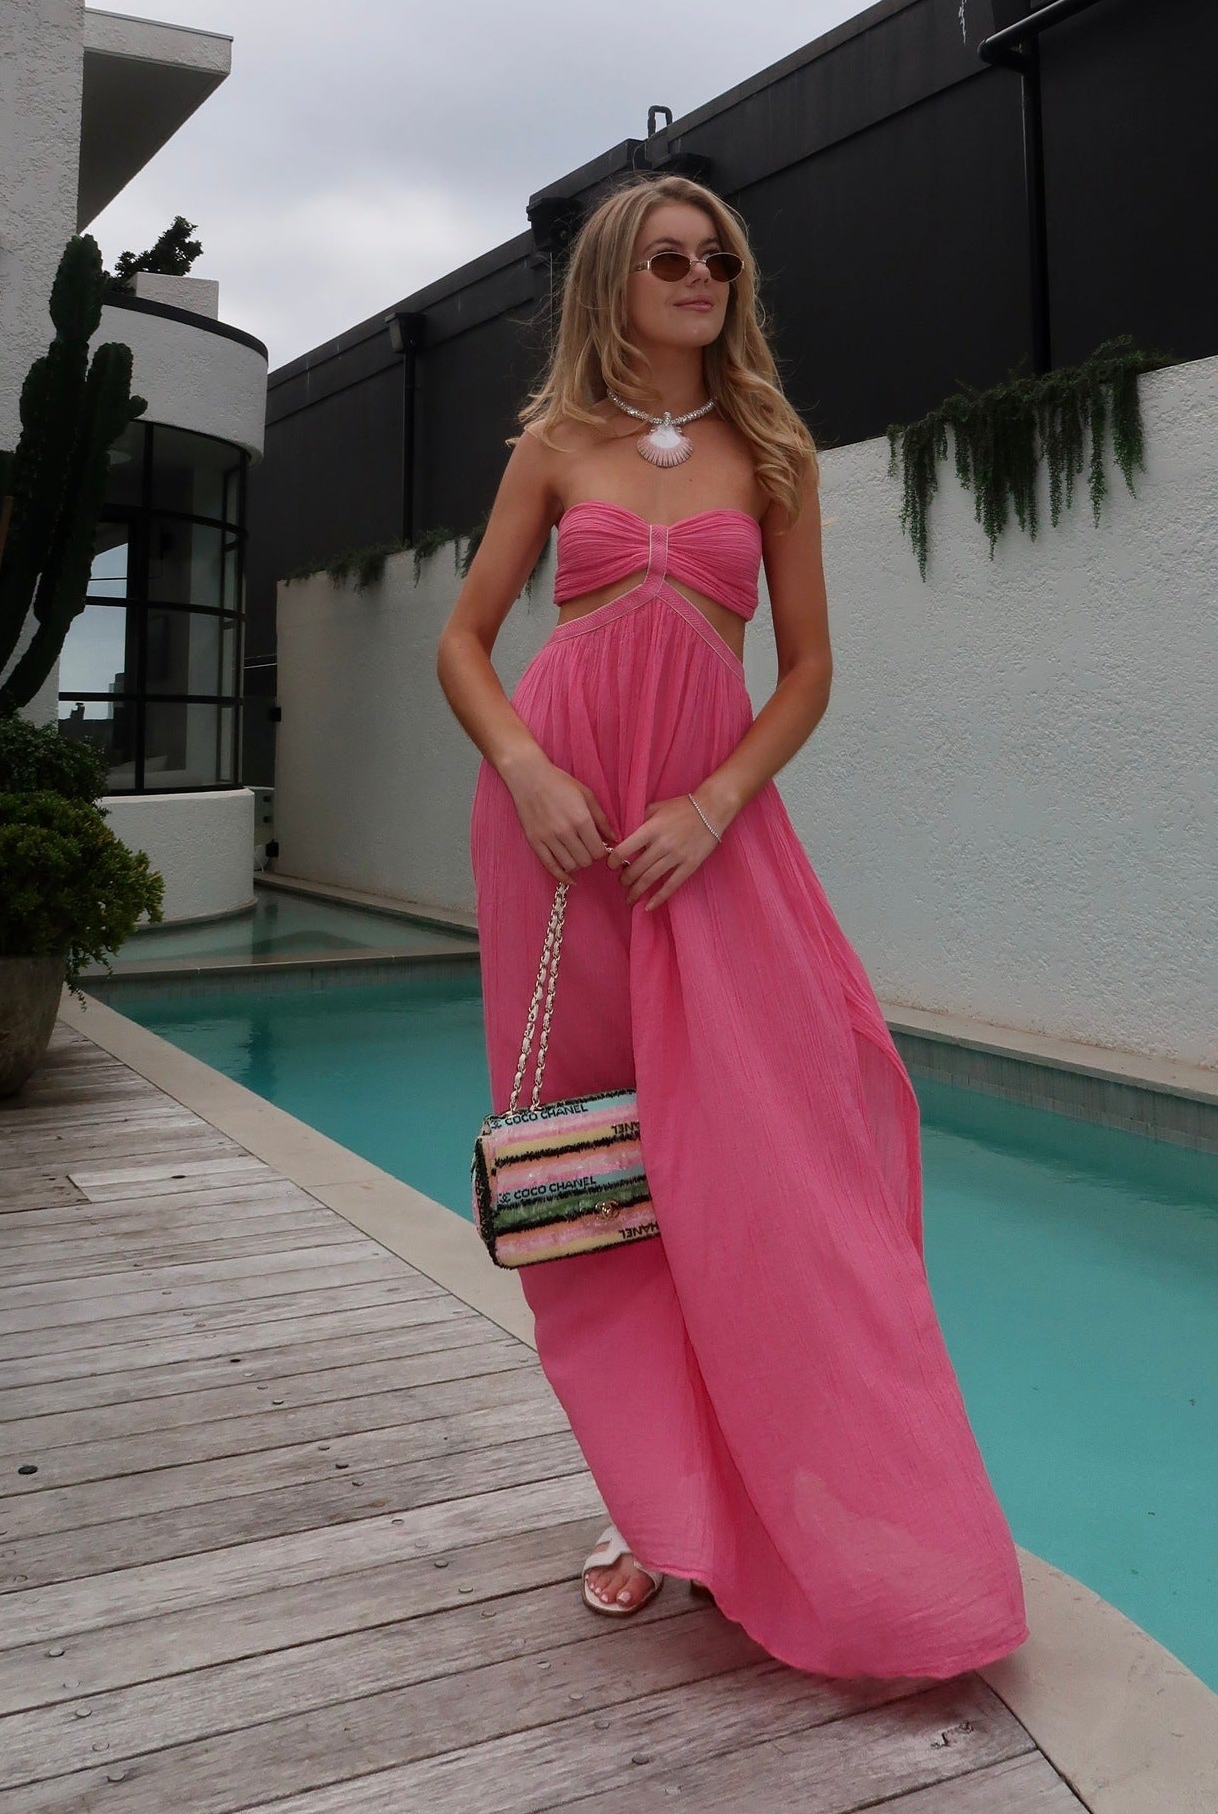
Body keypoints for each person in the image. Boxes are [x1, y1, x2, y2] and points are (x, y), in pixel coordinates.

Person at [436, 174, 1027, 1679]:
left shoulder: (771, 451)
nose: (699, 277)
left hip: (702, 834)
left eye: (718, 260)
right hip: (560, 837)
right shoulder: (553, 445)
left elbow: (809, 670)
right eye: (668, 259)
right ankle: (652, 1507)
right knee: (606, 1170)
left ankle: (794, 1506)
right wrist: (526, 770)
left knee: (777, 1150)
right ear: (615, 284)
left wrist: (712, 805)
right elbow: (465, 640)